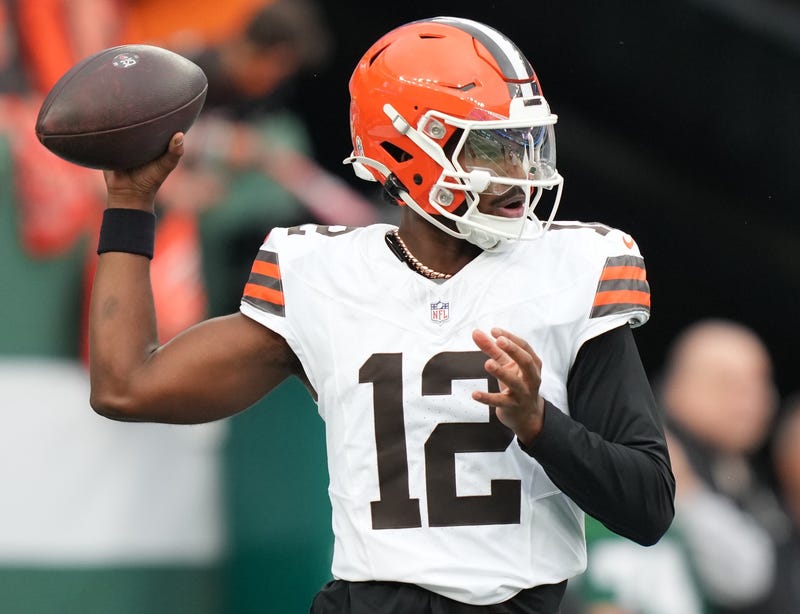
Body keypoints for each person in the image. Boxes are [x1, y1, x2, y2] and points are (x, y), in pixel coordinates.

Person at [87, 17, 674, 613]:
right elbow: (127, 387)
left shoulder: (574, 267)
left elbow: (648, 506)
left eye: (527, 145)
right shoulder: (324, 275)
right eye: (493, 147)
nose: (522, 174)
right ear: (406, 148)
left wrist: (540, 424)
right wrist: (130, 202)